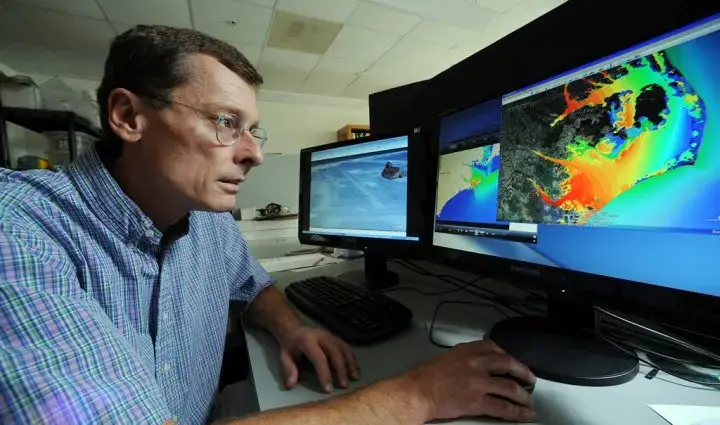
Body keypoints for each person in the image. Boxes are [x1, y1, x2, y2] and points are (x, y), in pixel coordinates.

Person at [0, 26, 537, 425]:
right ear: (129, 117)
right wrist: (417, 396)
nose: (255, 154)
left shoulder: (206, 221)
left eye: (254, 129)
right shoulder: (20, 230)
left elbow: (251, 284)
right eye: (226, 122)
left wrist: (290, 326)